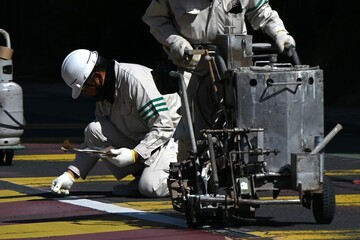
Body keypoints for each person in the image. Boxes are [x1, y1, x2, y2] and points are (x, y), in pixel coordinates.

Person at [142, 0, 296, 161]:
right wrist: (174, 40)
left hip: (234, 66)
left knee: (241, 125)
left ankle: (236, 171)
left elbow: (261, 11)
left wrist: (279, 32)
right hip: (192, 65)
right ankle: (192, 171)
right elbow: (154, 17)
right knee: (192, 132)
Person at [51, 49, 181, 197]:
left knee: (151, 187)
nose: (86, 94)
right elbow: (92, 141)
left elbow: (164, 125)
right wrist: (70, 174)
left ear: (97, 78)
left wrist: (135, 154)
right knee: (94, 130)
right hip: (149, 140)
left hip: (175, 137)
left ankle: (191, 177)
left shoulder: (135, 82)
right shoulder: (104, 93)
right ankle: (143, 175)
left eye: (85, 89)